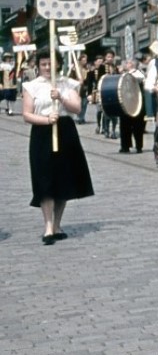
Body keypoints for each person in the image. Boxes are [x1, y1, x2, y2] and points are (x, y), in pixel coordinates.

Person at [22, 51, 94, 245]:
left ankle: (57, 225)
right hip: (42, 133)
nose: (47, 67)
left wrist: (61, 97)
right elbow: (27, 114)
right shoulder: (31, 86)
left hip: (65, 131)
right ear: (38, 66)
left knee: (62, 179)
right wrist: (46, 119)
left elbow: (77, 108)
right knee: (44, 179)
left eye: (51, 64)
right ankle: (47, 226)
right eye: (44, 64)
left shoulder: (68, 84)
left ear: (59, 65)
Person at [118, 59, 146, 154]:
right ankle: (125, 146)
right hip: (125, 103)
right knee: (124, 125)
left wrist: (128, 74)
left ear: (132, 65)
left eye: (128, 63)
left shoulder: (138, 73)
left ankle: (139, 146)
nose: (125, 64)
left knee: (138, 126)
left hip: (137, 103)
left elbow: (140, 79)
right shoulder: (123, 74)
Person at [1, 51, 17, 115]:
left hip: (13, 83)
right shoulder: (2, 66)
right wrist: (1, 83)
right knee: (7, 96)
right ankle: (8, 108)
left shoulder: (12, 65)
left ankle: (11, 110)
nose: (8, 59)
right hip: (6, 83)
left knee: (12, 97)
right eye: (6, 57)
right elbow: (0, 76)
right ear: (4, 58)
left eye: (9, 57)